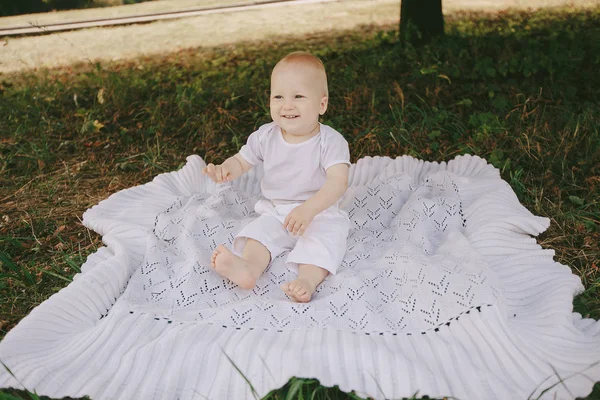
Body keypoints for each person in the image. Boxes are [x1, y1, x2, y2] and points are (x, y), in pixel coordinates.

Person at [202, 51, 351, 303]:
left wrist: (308, 210)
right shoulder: (265, 135)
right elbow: (241, 160)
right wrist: (226, 169)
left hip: (317, 211)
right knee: (259, 235)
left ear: (322, 104)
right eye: (278, 96)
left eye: (298, 96)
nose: (287, 104)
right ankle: (248, 268)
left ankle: (307, 280)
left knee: (324, 241)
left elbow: (339, 181)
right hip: (276, 210)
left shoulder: (330, 141)